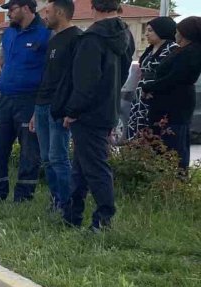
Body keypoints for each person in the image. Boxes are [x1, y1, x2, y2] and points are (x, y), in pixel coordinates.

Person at [58, 0, 133, 231]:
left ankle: (103, 220)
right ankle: (71, 215)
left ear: (94, 7)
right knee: (80, 167)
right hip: (108, 107)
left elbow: (85, 81)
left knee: (96, 167)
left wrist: (72, 111)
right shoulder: (125, 35)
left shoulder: (91, 39)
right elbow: (123, 73)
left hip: (88, 113)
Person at [0, 0, 50, 204]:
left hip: (29, 99)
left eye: (11, 10)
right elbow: (2, 51)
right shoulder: (9, 32)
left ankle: (23, 196)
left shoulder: (45, 33)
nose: (8, 14)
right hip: (5, 97)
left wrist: (40, 106)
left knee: (29, 151)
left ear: (26, 8)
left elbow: (51, 70)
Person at [29, 0, 81, 212]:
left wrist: (70, 109)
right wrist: (35, 111)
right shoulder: (53, 40)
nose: (44, 17)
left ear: (60, 12)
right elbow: (47, 76)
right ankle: (55, 200)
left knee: (58, 157)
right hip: (42, 105)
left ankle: (67, 204)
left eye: (47, 12)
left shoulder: (77, 38)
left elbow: (76, 77)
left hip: (59, 107)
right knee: (46, 159)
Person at [141, 16, 201, 170]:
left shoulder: (191, 53)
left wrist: (150, 87)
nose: (175, 35)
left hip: (174, 108)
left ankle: (173, 183)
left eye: (178, 32)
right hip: (166, 106)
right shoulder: (184, 50)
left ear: (186, 33)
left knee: (173, 147)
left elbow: (173, 78)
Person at [127, 17, 178, 139]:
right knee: (138, 126)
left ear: (161, 31)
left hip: (157, 94)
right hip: (141, 93)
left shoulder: (172, 49)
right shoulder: (149, 49)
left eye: (150, 30)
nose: (146, 34)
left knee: (153, 129)